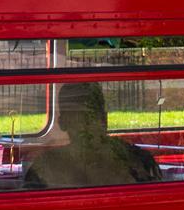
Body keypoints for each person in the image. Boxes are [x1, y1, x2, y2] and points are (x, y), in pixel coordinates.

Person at [22, 79, 161, 188]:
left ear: (61, 122)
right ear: (105, 120)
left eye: (90, 117)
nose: (86, 125)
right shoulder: (140, 160)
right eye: (80, 118)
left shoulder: (44, 167)